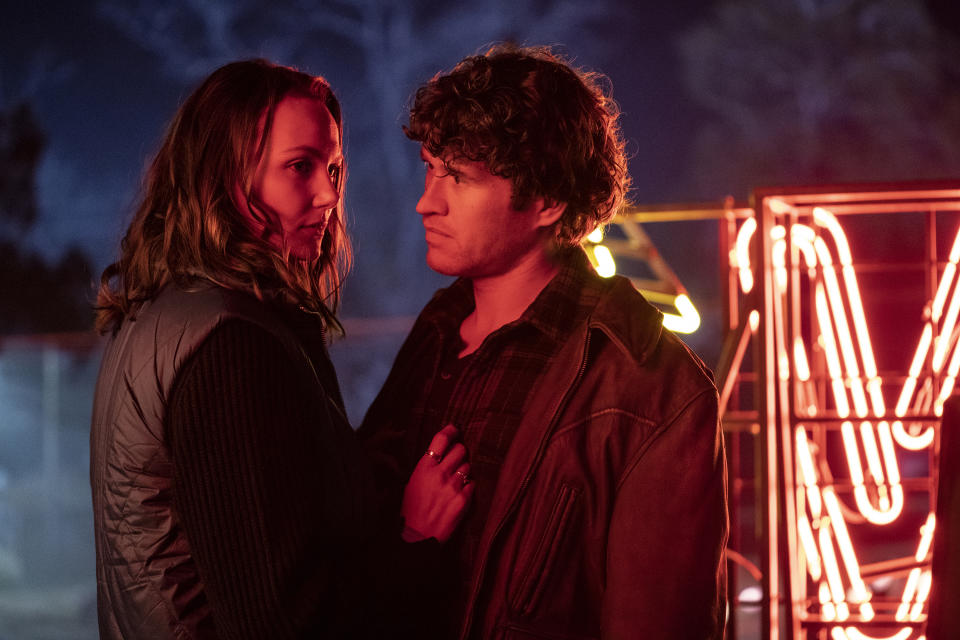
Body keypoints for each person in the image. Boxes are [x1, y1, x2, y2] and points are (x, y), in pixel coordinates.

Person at [90, 59, 471, 640]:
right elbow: (284, 622)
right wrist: (415, 540)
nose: (327, 194)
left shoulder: (166, 314)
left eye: (335, 167)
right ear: (221, 176)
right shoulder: (230, 344)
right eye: (299, 167)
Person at [359, 44, 728, 639]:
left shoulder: (650, 388)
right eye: (430, 167)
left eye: (459, 177)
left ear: (548, 201)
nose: (427, 202)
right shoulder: (435, 332)